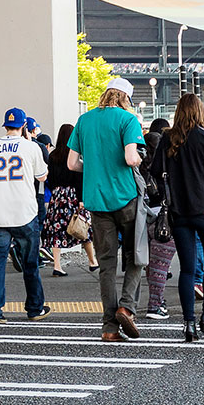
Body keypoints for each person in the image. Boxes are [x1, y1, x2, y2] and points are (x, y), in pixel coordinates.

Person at [72, 77, 146, 340]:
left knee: (106, 264)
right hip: (126, 198)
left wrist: (94, 167)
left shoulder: (85, 120)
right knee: (136, 255)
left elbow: (72, 164)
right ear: (125, 97)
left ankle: (109, 328)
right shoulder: (128, 119)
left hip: (96, 200)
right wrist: (139, 157)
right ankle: (126, 306)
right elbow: (130, 157)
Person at [149, 94, 204, 341]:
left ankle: (188, 324)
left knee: (186, 269)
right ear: (200, 111)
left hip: (179, 212)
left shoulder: (167, 139)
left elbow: (154, 172)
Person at [0, 108, 51, 324]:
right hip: (25, 213)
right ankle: (34, 308)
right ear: (24, 126)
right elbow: (42, 176)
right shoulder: (31, 147)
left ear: (6, 125)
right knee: (30, 263)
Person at [40, 124, 94, 276]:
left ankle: (57, 266)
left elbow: (49, 178)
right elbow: (79, 178)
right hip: (73, 195)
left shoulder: (53, 155)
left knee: (56, 231)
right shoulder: (75, 155)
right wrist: (82, 199)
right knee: (82, 226)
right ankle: (92, 261)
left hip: (57, 196)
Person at [141, 117, 177, 319]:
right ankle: (155, 305)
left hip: (141, 218)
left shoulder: (138, 169)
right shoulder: (165, 168)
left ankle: (154, 302)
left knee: (149, 264)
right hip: (163, 220)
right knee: (160, 265)